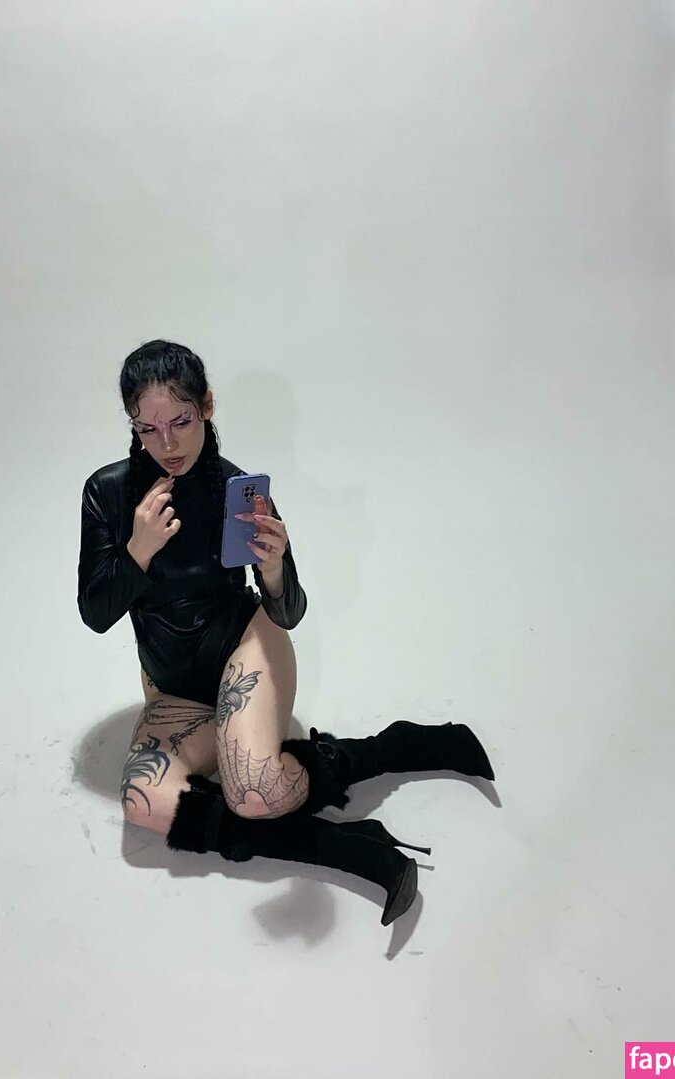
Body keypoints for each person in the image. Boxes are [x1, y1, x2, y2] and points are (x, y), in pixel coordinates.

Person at [77, 340, 495, 925]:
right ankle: (348, 847)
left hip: (243, 647)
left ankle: (389, 748)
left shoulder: (236, 489)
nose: (167, 444)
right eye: (148, 428)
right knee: (143, 803)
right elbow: (95, 613)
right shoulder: (109, 493)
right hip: (172, 687)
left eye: (181, 421)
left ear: (207, 406)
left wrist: (274, 566)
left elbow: (289, 612)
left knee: (256, 794)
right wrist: (138, 550)